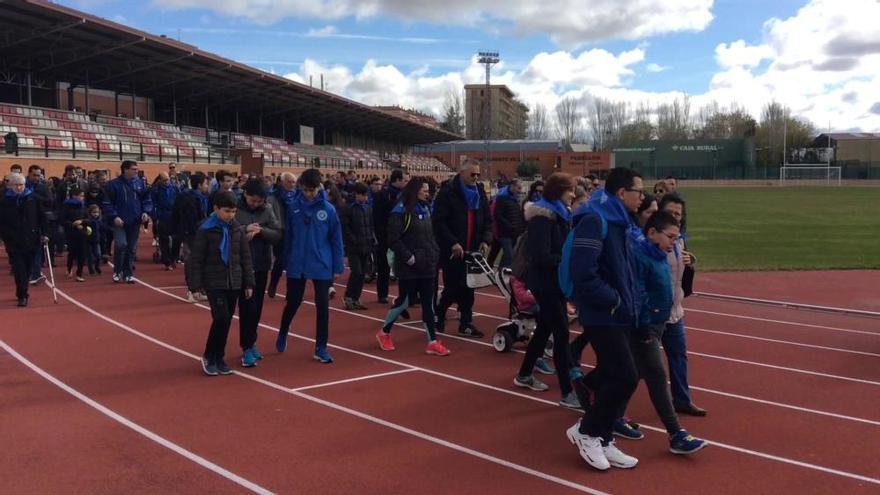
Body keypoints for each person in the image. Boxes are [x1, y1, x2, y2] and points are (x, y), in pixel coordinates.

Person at [565, 167, 644, 471]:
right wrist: (613, 299)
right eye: (638, 191)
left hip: (620, 313)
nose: (642, 196)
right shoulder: (595, 220)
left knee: (618, 375)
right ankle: (586, 431)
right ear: (622, 193)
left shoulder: (620, 222)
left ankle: (604, 435)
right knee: (625, 375)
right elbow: (582, 273)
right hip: (602, 314)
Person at [622, 210, 708, 454]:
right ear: (651, 233)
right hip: (645, 327)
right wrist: (645, 326)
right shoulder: (640, 256)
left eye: (677, 237)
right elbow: (637, 293)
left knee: (631, 373)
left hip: (660, 322)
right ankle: (676, 433)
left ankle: (595, 395)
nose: (675, 242)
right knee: (657, 377)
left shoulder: (661, 252)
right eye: (670, 237)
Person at [513, 173, 580, 408]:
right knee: (561, 333)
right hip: (545, 283)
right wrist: (568, 259)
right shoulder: (542, 217)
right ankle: (568, 391)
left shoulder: (561, 213)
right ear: (557, 191)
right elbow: (541, 256)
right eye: (570, 190)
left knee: (544, 329)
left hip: (556, 281)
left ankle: (524, 374)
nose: (573, 194)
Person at [276, 168, 345, 364]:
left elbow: (336, 239)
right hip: (298, 261)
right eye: (306, 190)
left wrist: (338, 265)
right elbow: (288, 236)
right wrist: (284, 260)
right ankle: (283, 330)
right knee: (294, 301)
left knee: (322, 305)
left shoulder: (328, 210)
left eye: (313, 190)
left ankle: (321, 346)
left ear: (319, 188)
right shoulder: (293, 207)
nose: (309, 194)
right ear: (300, 187)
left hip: (322, 262)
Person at [376, 177, 450, 356]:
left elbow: (430, 235)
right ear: (415, 191)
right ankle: (384, 332)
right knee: (405, 301)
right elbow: (393, 238)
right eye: (424, 190)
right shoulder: (400, 211)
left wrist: (434, 251)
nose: (427, 193)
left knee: (428, 303)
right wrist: (409, 258)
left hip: (427, 263)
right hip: (409, 265)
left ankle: (432, 341)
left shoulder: (426, 208)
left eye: (428, 190)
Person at [188, 191, 255, 376]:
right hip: (214, 281)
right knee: (221, 318)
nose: (230, 215)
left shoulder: (237, 229)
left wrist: (248, 282)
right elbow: (197, 258)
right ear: (216, 209)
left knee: (227, 320)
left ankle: (220, 356)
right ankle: (209, 355)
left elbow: (245, 257)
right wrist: (195, 284)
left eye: (233, 211)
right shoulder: (205, 230)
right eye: (227, 211)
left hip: (234, 281)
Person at [433, 159, 492, 338]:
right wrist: (452, 242)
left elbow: (487, 219)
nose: (475, 177)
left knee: (469, 288)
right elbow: (438, 222)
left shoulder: (480, 192)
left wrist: (485, 240)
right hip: (453, 251)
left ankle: (466, 322)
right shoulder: (447, 192)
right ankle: (440, 314)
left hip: (472, 249)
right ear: (462, 172)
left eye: (477, 174)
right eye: (472, 174)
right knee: (452, 288)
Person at [659, 193, 705, 416]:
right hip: (654, 312)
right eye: (671, 212)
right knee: (638, 365)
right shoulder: (649, 238)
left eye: (679, 214)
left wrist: (690, 261)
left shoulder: (679, 239)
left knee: (678, 355)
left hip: (675, 309)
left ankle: (682, 400)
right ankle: (596, 388)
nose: (675, 217)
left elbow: (680, 273)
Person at [235, 179, 282, 368]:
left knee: (257, 308)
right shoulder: (235, 208)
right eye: (252, 200)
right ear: (245, 194)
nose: (255, 204)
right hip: (242, 265)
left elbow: (277, 233)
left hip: (262, 264)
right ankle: (246, 347)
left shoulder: (267, 209)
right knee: (247, 308)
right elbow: (226, 230)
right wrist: (245, 229)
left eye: (259, 201)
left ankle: (251, 342)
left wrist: (261, 231)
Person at [0, 174, 47, 307]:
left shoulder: (34, 199)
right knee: (19, 268)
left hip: (31, 239)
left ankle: (21, 289)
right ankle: (23, 295)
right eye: (16, 185)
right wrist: (4, 236)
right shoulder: (4, 200)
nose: (19, 188)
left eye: (21, 185)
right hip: (13, 241)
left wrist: (45, 233)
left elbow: (42, 218)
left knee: (27, 269)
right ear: (11, 186)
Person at [102, 160, 153, 283]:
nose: (136, 171)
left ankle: (128, 273)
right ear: (125, 169)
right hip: (120, 221)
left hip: (135, 221)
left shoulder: (140, 184)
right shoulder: (113, 185)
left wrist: (146, 212)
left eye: (136, 169)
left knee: (131, 248)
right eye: (134, 169)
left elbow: (147, 199)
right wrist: (114, 216)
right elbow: (107, 203)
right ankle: (117, 270)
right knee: (121, 244)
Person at [372, 168, 409, 303]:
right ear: (397, 180)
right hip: (385, 236)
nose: (407, 183)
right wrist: (380, 236)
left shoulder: (405, 195)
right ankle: (382, 294)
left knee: (404, 266)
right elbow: (377, 217)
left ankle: (406, 295)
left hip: (402, 236)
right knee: (384, 266)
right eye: (405, 180)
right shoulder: (383, 195)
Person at [172, 173, 210, 303]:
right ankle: (192, 290)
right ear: (199, 185)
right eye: (206, 184)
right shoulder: (190, 198)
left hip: (196, 233)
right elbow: (192, 220)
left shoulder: (200, 197)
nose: (207, 186)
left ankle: (198, 290)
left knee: (199, 261)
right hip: (192, 234)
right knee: (192, 261)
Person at [341, 182, 376, 310]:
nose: (366, 198)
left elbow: (371, 225)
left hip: (366, 245)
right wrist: (353, 240)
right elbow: (346, 227)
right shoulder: (349, 208)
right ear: (357, 195)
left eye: (367, 195)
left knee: (362, 274)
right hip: (354, 247)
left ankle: (356, 298)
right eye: (364, 195)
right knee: (357, 271)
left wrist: (372, 239)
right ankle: (349, 296)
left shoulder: (368, 208)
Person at [267, 172, 296, 298]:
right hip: (281, 231)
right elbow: (270, 213)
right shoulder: (274, 197)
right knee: (281, 261)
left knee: (293, 262)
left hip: (294, 231)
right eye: (289, 182)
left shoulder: (296, 196)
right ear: (282, 182)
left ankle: (291, 290)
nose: (292, 184)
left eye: (294, 182)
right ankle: (273, 283)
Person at [490, 178, 526, 268]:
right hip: (504, 233)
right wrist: (510, 226)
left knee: (506, 256)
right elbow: (498, 216)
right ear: (512, 186)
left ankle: (499, 272)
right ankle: (500, 273)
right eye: (519, 188)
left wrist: (519, 228)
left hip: (513, 233)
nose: (520, 191)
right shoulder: (502, 199)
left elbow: (517, 215)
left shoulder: (515, 199)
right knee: (509, 255)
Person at [150, 172, 180, 271]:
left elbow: (180, 199)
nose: (166, 182)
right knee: (164, 239)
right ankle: (166, 260)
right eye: (164, 180)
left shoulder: (174, 188)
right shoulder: (156, 190)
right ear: (160, 180)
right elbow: (152, 204)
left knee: (177, 238)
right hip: (162, 215)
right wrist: (155, 217)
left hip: (174, 215)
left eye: (167, 179)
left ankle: (174, 258)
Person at [61, 186, 88, 282]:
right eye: (80, 196)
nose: (82, 198)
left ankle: (79, 273)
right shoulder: (66, 206)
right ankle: (69, 268)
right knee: (72, 252)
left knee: (82, 253)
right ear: (74, 196)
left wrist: (82, 221)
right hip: (71, 233)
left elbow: (88, 218)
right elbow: (62, 220)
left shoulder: (83, 206)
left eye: (83, 196)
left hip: (82, 232)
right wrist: (73, 224)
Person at [85, 204, 103, 275]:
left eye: (97, 212)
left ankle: (97, 266)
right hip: (88, 241)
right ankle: (91, 270)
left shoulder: (99, 221)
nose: (96, 214)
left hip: (96, 241)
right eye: (94, 212)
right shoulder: (88, 221)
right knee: (90, 256)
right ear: (90, 213)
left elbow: (102, 229)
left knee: (98, 255)